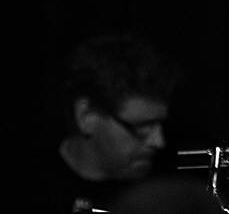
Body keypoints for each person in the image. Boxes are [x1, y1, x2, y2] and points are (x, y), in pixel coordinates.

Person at [40, 32, 183, 213]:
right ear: (86, 116)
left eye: (160, 124)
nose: (158, 141)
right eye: (142, 127)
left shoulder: (171, 196)